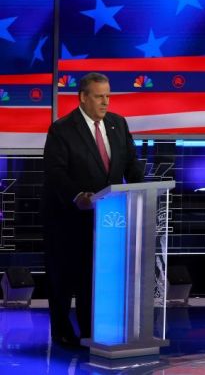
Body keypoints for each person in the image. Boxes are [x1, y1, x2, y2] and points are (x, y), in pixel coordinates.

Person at [42, 72, 144, 348]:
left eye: (108, 96)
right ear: (83, 97)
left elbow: (131, 164)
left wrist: (142, 189)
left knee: (94, 276)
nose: (105, 102)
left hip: (109, 219)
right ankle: (62, 332)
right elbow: (55, 172)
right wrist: (77, 196)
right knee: (65, 277)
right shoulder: (62, 129)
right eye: (99, 96)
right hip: (69, 218)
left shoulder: (118, 124)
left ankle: (91, 332)